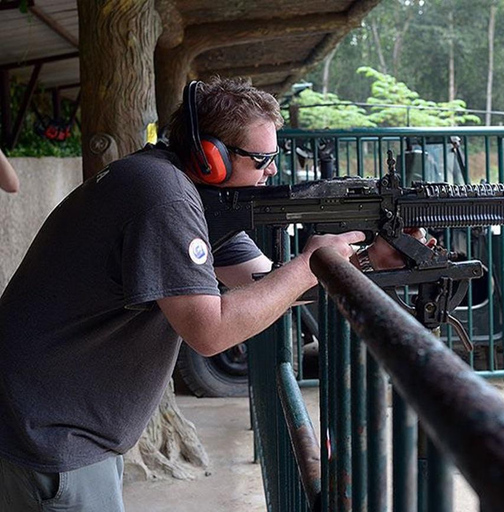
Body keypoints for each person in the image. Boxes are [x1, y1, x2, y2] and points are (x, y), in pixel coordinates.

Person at [0, 77, 404, 511]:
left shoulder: (181, 188)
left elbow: (264, 283)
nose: (271, 170)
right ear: (211, 156)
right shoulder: (166, 197)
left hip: (53, 421)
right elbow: (210, 332)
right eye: (262, 158)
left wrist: (362, 263)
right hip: (48, 432)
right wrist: (308, 265)